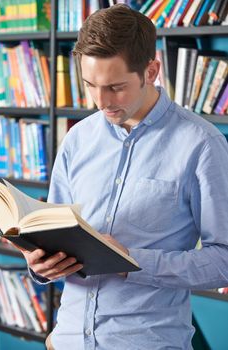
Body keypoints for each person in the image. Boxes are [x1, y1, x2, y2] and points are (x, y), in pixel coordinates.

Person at [19, 4, 228, 350]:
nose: (100, 101)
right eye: (90, 85)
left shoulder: (201, 145)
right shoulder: (77, 139)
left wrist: (131, 262)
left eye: (115, 87)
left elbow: (223, 259)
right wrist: (39, 264)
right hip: (66, 340)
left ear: (151, 71)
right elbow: (52, 230)